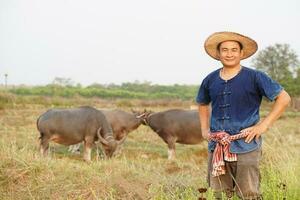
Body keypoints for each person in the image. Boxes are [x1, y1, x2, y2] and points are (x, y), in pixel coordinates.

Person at [196, 31, 291, 199]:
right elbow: (202, 103)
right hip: (217, 145)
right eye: (224, 50)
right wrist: (204, 129)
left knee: (248, 194)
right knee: (219, 194)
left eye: (234, 49)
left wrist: (263, 125)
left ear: (241, 53)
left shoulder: (256, 77)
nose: (229, 53)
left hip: (246, 144)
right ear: (218, 54)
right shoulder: (209, 79)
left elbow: (284, 98)